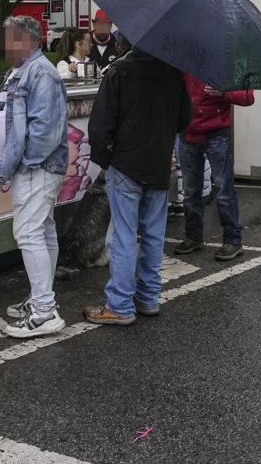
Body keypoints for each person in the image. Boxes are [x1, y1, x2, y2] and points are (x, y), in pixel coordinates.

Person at [83, 38, 191, 326]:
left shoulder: (119, 72)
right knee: (154, 234)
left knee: (123, 236)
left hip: (125, 163)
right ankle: (148, 298)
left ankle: (119, 304)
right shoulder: (173, 73)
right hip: (159, 164)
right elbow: (184, 119)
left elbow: (100, 124)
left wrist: (106, 158)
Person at [0, 16, 70, 338]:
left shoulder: (40, 72)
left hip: (38, 167)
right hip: (39, 166)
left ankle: (44, 312)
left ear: (30, 40)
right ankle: (42, 300)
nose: (6, 45)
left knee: (28, 233)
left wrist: (23, 164)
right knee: (42, 231)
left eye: (12, 38)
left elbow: (45, 130)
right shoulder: (27, 70)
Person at [174, 75, 254, 260]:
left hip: (214, 133)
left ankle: (233, 240)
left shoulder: (224, 64)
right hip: (188, 132)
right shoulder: (181, 63)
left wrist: (225, 92)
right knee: (190, 190)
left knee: (223, 189)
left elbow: (248, 97)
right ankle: (194, 236)